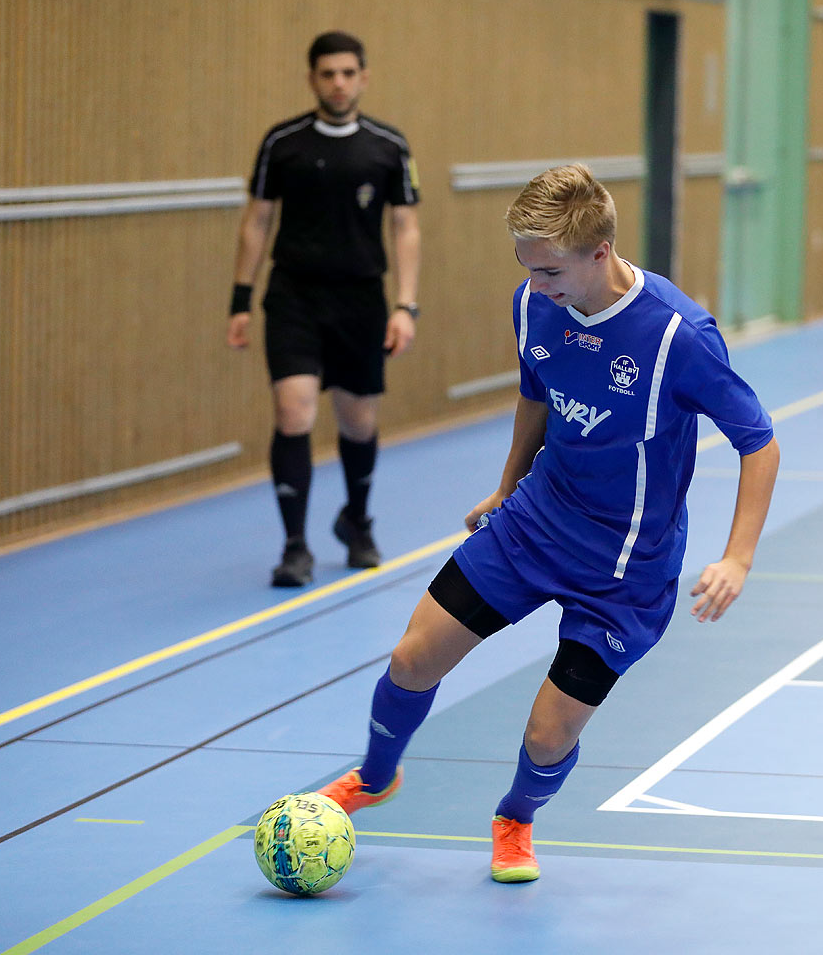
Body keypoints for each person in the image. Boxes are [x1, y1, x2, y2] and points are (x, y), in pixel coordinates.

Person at [314, 163, 780, 882]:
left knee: (549, 729)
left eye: (551, 270)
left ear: (600, 253)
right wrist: (506, 488)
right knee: (412, 659)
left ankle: (516, 818)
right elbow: (538, 390)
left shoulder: (677, 335)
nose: (537, 284)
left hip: (626, 566)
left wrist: (738, 557)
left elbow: (758, 440)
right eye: (526, 266)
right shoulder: (536, 304)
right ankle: (375, 778)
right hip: (536, 520)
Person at [228, 30, 421, 587]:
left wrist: (406, 305)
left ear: (363, 77)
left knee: (358, 422)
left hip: (361, 299)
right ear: (312, 78)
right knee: (294, 412)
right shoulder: (282, 143)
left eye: (347, 73)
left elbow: (405, 227)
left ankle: (357, 521)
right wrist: (240, 300)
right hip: (294, 297)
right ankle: (294, 546)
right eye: (327, 73)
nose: (338, 83)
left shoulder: (389, 146)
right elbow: (257, 221)